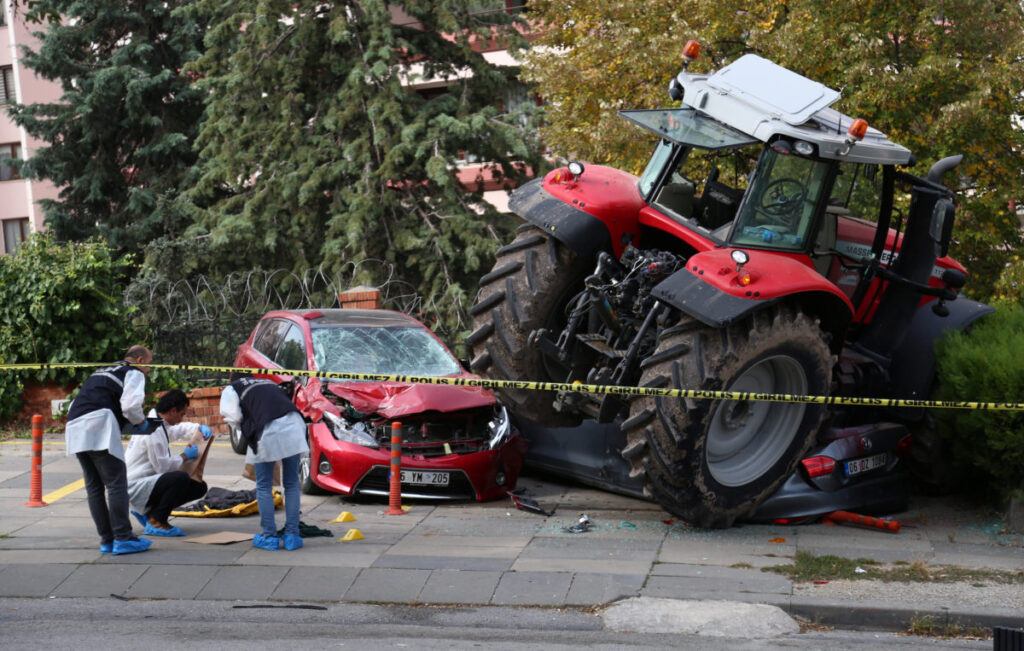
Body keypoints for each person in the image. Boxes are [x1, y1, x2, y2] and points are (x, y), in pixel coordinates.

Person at [65, 345, 154, 556]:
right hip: (98, 425)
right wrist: (140, 422)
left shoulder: (102, 371)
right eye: (150, 365)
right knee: (116, 483)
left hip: (75, 425)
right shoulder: (133, 372)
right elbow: (131, 406)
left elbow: (81, 401)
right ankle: (123, 538)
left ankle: (107, 540)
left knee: (94, 486)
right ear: (140, 360)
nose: (150, 370)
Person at [219, 373, 308, 551]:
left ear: (231, 379)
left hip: (266, 429)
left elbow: (233, 417)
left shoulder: (233, 388)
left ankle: (269, 537)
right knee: (291, 483)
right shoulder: (267, 382)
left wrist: (248, 433)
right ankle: (292, 536)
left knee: (264, 485)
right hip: (294, 424)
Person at [125, 389, 212, 537]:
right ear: (172, 411)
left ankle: (151, 511)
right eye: (181, 414)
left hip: (146, 481)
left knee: (199, 486)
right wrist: (185, 456)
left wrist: (198, 428)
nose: (181, 418)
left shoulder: (157, 422)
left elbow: (177, 430)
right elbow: (162, 467)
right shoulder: (153, 431)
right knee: (180, 478)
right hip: (135, 486)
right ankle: (157, 522)